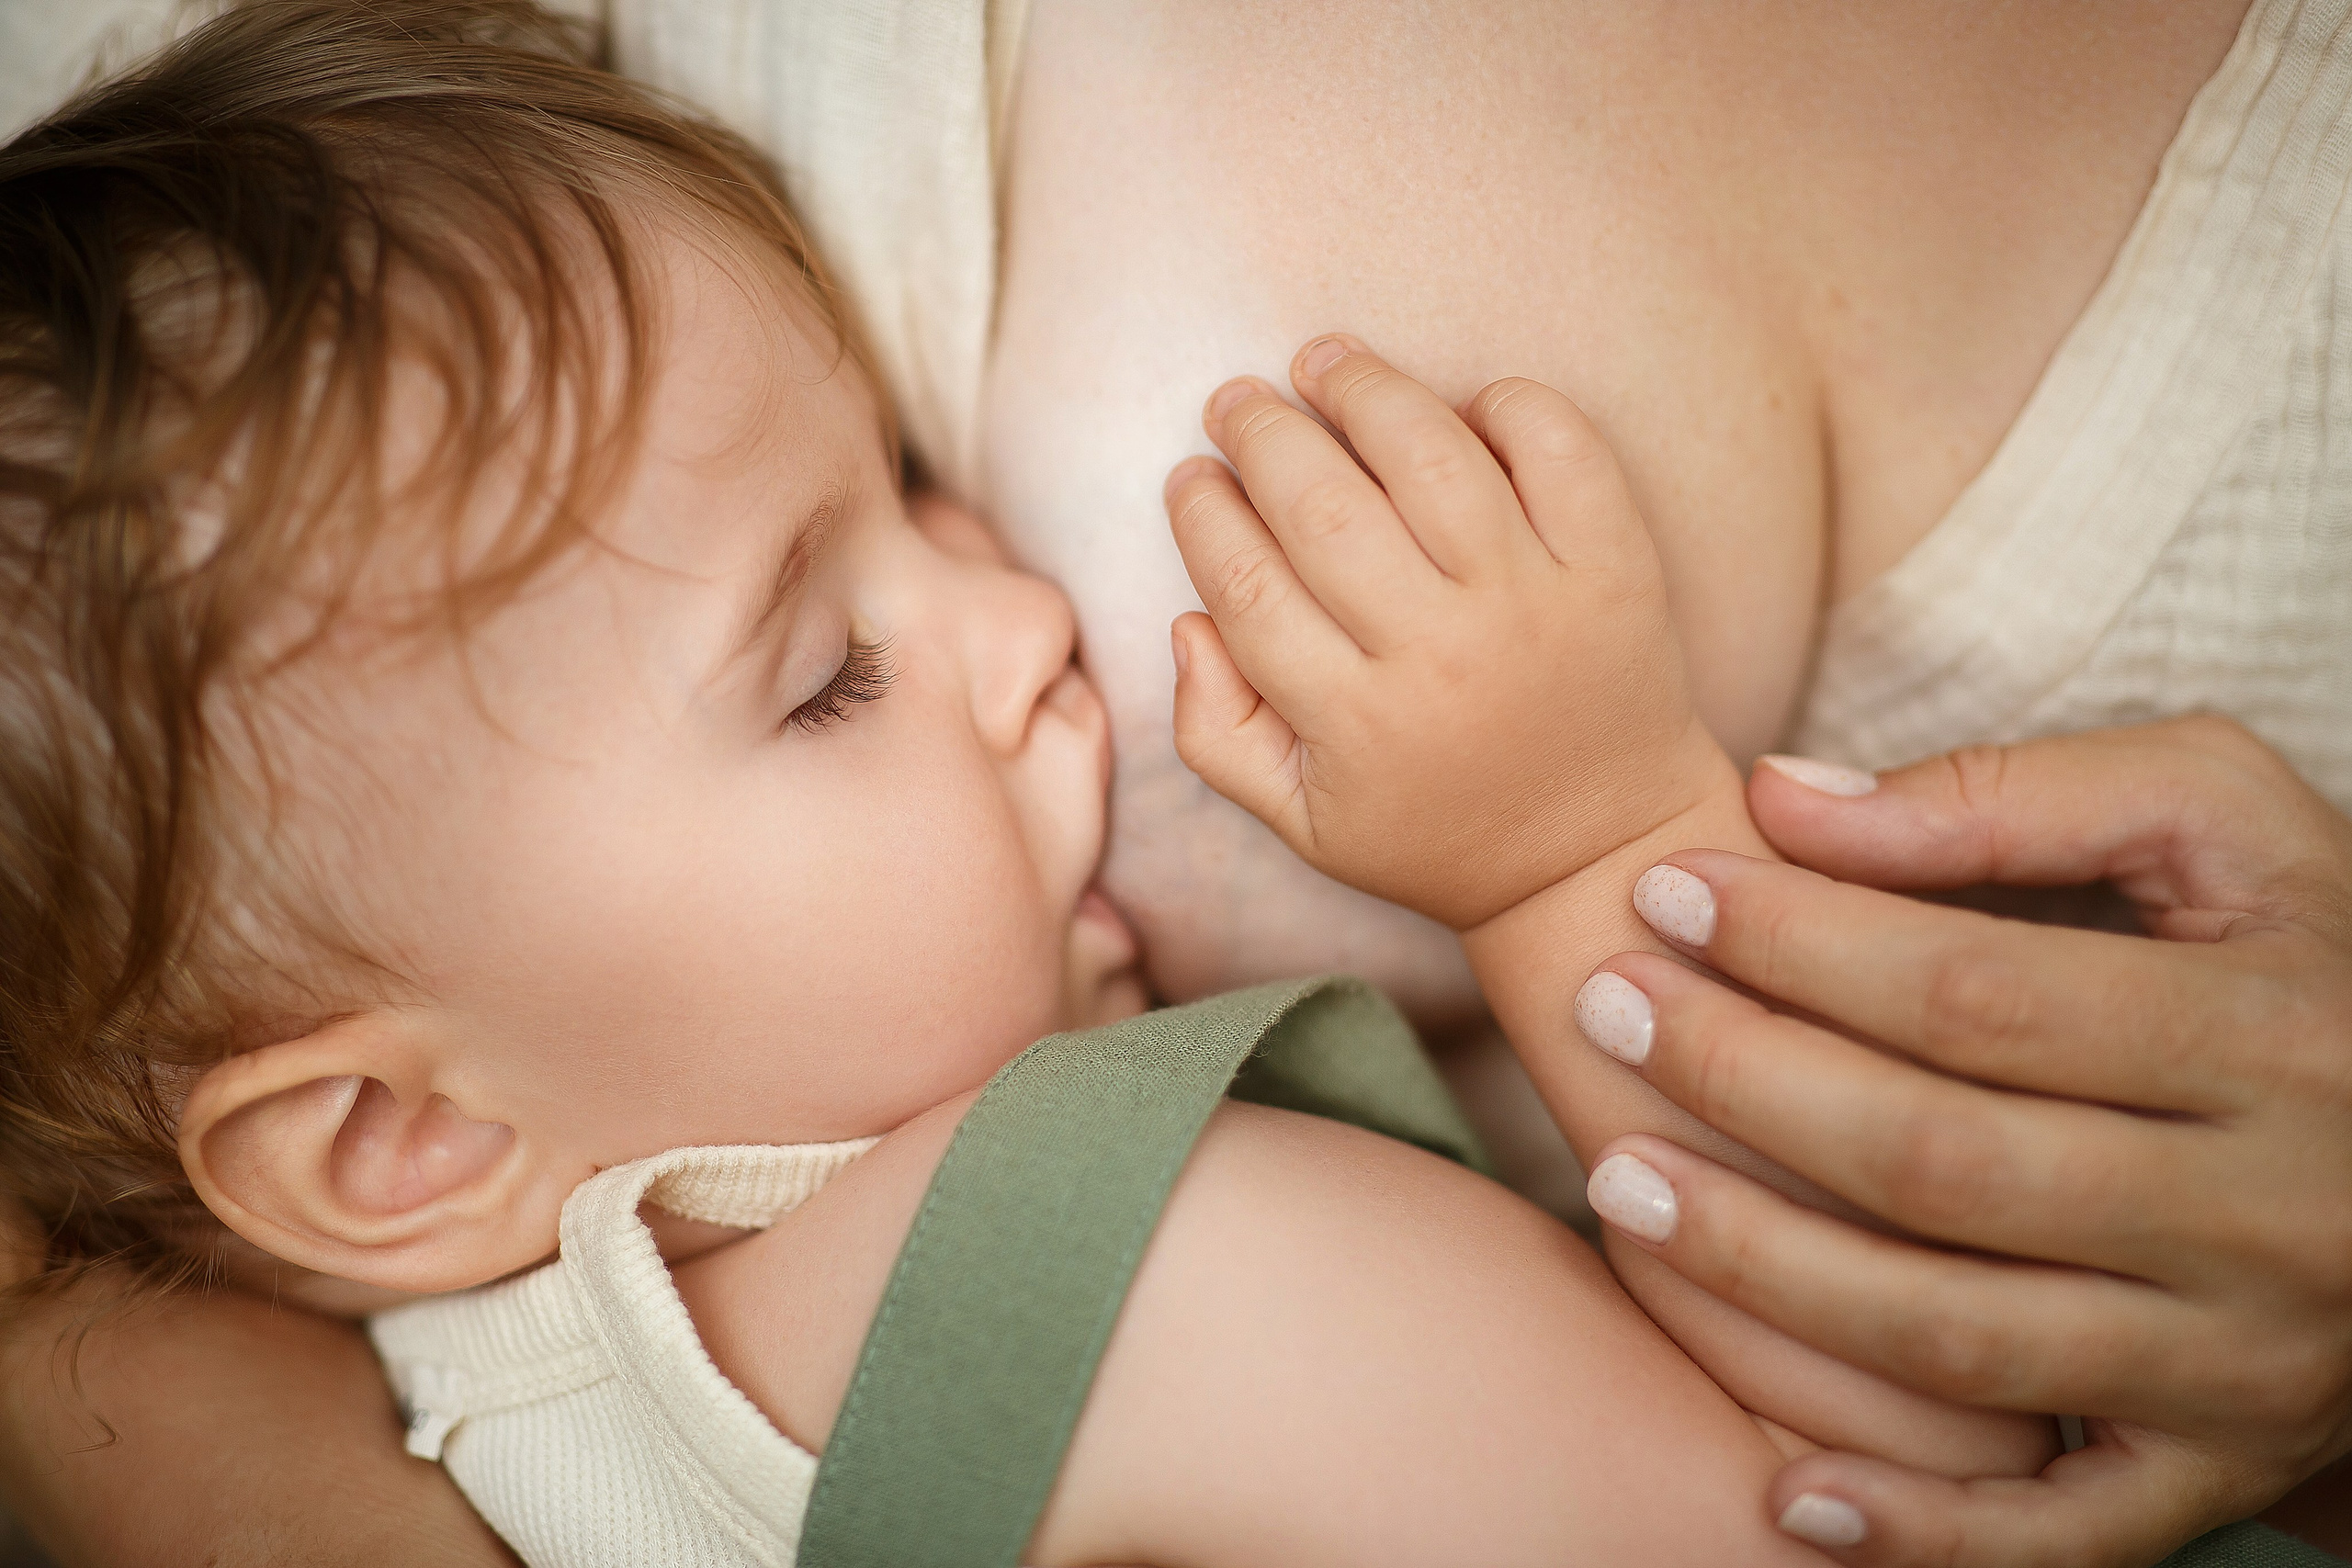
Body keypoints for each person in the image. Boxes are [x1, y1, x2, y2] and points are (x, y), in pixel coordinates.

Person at [3, 0, 2349, 1562]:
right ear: (395, 1143)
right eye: (826, 674)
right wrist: (1578, 854)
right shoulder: (1104, 1268)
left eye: (906, 479)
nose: (1022, 618)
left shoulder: (472, 1417)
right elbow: (1882, 1497)